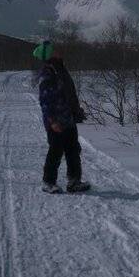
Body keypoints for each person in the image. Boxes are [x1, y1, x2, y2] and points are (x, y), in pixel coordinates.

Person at [33, 39, 91, 193]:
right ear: (49, 55)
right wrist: (52, 121)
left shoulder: (60, 69)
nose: (58, 50)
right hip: (56, 120)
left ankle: (74, 182)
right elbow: (45, 100)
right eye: (54, 49)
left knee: (73, 149)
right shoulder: (48, 73)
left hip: (68, 118)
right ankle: (48, 182)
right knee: (55, 151)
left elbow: (68, 93)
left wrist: (76, 110)